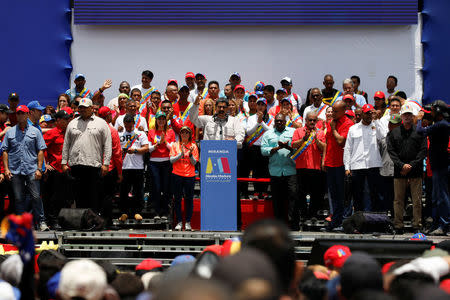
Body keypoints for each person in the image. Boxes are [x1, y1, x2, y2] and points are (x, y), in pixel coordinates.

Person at [189, 96, 245, 227]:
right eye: (219, 107)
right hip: (209, 164)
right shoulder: (207, 120)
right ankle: (211, 223)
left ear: (227, 109)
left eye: (223, 107)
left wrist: (233, 141)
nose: (221, 109)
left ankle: (233, 224)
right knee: (210, 196)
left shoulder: (234, 121)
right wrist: (196, 105)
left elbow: (240, 136)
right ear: (216, 107)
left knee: (230, 197)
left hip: (228, 164)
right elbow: (193, 119)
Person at [1, 105, 48, 230]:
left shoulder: (35, 131)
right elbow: (4, 150)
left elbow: (41, 151)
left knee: (36, 196)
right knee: (18, 198)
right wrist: (6, 169)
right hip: (15, 170)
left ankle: (41, 221)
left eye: (23, 113)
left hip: (32, 169)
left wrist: (39, 169)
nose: (20, 116)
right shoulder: (10, 132)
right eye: (18, 113)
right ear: (16, 115)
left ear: (27, 115)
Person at [61, 98, 112, 212]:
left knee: (93, 195)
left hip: (93, 165)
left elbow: (107, 145)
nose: (82, 110)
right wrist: (64, 162)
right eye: (80, 108)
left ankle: (92, 221)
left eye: (85, 107)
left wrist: (106, 164)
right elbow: (66, 144)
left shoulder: (101, 123)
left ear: (91, 108)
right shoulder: (72, 123)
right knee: (78, 195)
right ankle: (81, 222)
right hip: (76, 165)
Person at [387, 104, 427, 233]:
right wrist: (401, 165)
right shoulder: (394, 133)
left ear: (413, 116)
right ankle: (398, 225)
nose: (407, 117)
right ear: (401, 116)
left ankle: (417, 225)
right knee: (398, 200)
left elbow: (423, 151)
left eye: (409, 114)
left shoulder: (420, 131)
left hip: (416, 172)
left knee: (417, 201)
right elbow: (391, 151)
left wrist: (412, 165)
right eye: (405, 114)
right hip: (399, 172)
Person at [416, 100, 449, 235]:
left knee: (442, 197)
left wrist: (419, 119)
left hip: (441, 167)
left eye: (434, 111)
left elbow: (419, 131)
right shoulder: (439, 124)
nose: (432, 114)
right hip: (436, 167)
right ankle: (437, 224)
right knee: (436, 198)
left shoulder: (442, 125)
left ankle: (445, 224)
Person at [344, 104, 384, 212]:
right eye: (367, 113)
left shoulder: (376, 126)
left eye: (371, 113)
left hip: (373, 164)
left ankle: (376, 219)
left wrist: (377, 120)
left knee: (375, 194)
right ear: (362, 114)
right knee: (357, 195)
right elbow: (348, 148)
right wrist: (347, 167)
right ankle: (359, 221)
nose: (369, 115)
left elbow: (382, 137)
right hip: (357, 165)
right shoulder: (353, 128)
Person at [322, 100, 354, 231]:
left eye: (335, 111)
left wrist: (334, 128)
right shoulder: (330, 122)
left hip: (342, 164)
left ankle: (344, 223)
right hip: (331, 163)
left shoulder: (348, 123)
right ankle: (335, 221)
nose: (333, 113)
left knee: (343, 196)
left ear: (343, 111)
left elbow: (341, 141)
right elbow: (328, 142)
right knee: (334, 195)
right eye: (332, 111)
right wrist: (324, 160)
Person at [261, 113, 298, 229]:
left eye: (281, 121)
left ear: (285, 121)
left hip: (290, 170)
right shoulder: (268, 134)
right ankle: (279, 226)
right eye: (277, 121)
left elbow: (298, 148)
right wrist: (277, 148)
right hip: (275, 171)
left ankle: (293, 225)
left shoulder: (293, 132)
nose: (279, 123)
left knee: (293, 198)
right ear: (274, 122)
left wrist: (287, 147)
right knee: (277, 200)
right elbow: (263, 150)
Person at [292, 111, 326, 221]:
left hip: (316, 167)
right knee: (300, 193)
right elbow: (293, 144)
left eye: (314, 120)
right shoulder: (298, 131)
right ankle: (302, 215)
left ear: (317, 121)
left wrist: (316, 140)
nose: (312, 122)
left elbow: (324, 147)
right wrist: (303, 139)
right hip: (302, 167)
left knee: (316, 193)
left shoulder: (320, 133)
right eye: (310, 120)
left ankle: (312, 215)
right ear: (305, 120)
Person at [42, 109, 73, 230]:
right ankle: (53, 220)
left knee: (66, 198)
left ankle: (62, 220)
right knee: (54, 198)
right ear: (58, 120)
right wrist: (45, 164)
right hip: (55, 170)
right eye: (65, 119)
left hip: (67, 169)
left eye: (68, 119)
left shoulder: (69, 133)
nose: (67, 121)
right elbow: (42, 149)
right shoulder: (52, 133)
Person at [118, 114, 149, 222]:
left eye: (130, 126)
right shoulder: (120, 134)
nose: (128, 128)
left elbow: (146, 148)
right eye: (126, 126)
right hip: (124, 167)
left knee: (138, 190)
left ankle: (137, 212)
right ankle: (124, 212)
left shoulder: (140, 134)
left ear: (133, 124)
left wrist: (135, 151)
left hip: (137, 166)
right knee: (123, 191)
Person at [98, 106, 123, 229]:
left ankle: (97, 221)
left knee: (98, 195)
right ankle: (107, 222)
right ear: (108, 116)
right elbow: (117, 153)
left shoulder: (95, 128)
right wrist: (119, 172)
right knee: (108, 196)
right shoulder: (112, 130)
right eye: (111, 115)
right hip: (110, 167)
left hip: (96, 166)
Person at [148, 111, 176, 220]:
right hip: (154, 162)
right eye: (159, 119)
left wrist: (164, 142)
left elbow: (172, 148)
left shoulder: (170, 132)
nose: (161, 121)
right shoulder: (151, 132)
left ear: (166, 121)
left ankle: (165, 211)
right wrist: (157, 145)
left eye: (163, 119)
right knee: (156, 187)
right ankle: (156, 211)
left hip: (166, 161)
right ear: (156, 120)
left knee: (165, 187)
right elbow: (148, 149)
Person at [170, 126, 199, 231]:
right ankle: (178, 222)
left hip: (189, 176)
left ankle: (187, 222)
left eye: (187, 133)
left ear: (190, 135)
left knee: (189, 200)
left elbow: (195, 162)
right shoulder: (175, 145)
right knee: (177, 199)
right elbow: (171, 160)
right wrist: (181, 154)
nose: (185, 134)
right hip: (177, 174)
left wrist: (190, 155)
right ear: (180, 134)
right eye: (183, 133)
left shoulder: (193, 146)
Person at [245, 97, 273, 199]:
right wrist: (258, 122)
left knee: (265, 169)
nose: (260, 107)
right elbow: (248, 132)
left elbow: (271, 131)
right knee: (255, 169)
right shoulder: (251, 118)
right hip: (254, 147)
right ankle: (256, 191)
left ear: (266, 107)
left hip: (266, 146)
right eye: (259, 104)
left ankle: (265, 191)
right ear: (256, 106)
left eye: (263, 105)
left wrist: (262, 122)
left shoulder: (271, 118)